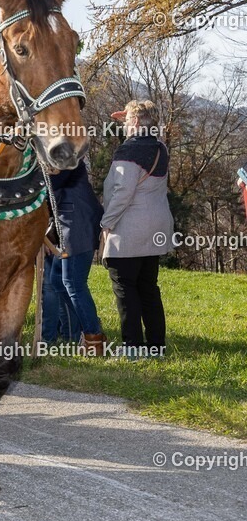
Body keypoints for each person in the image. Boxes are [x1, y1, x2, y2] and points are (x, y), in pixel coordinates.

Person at [101, 100, 174, 360]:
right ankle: (156, 346)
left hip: (129, 229)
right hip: (155, 229)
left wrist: (105, 223)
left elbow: (123, 192)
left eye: (126, 120)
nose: (122, 125)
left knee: (125, 287)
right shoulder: (160, 147)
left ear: (133, 122)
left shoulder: (129, 150)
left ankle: (132, 346)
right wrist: (133, 112)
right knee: (148, 288)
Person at [42, 160, 107, 352]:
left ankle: (94, 339)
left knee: (73, 283)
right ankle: (85, 328)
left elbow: (49, 188)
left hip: (78, 225)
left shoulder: (65, 155)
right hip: (68, 225)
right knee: (57, 280)